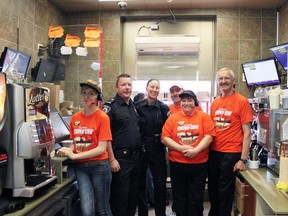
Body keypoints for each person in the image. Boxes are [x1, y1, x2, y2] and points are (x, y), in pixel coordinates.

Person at [57, 79, 112, 216]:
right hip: (81, 169)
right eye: (84, 93)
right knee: (87, 211)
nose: (87, 96)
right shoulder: (76, 117)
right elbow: (76, 143)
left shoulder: (103, 118)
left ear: (97, 97)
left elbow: (101, 148)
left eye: (91, 93)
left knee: (103, 209)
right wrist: (68, 150)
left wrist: (75, 155)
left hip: (100, 167)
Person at [161, 90, 215, 216]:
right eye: (183, 100)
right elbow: (164, 138)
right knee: (180, 199)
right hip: (178, 165)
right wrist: (181, 148)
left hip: (199, 165)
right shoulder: (173, 118)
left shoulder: (204, 117)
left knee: (196, 199)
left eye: (189, 100)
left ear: (194, 102)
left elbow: (209, 136)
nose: (186, 103)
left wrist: (196, 151)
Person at [208, 67, 252, 216]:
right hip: (214, 152)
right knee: (213, 189)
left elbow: (247, 132)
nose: (223, 81)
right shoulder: (215, 102)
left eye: (227, 78)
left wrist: (243, 159)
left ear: (233, 81)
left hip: (231, 153)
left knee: (225, 192)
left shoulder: (242, 101)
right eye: (220, 79)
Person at [102, 74, 142, 216]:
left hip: (136, 159)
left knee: (132, 198)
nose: (127, 88)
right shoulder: (110, 107)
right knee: (120, 199)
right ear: (116, 87)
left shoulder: (133, 106)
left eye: (129, 85)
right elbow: (104, 136)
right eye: (123, 85)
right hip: (120, 159)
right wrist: (111, 159)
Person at [135, 79, 170, 216]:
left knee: (160, 185)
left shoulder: (163, 108)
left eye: (157, 87)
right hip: (141, 149)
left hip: (158, 148)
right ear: (146, 88)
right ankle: (143, 213)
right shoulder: (137, 107)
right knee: (141, 185)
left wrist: (168, 151)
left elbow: (169, 131)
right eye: (152, 87)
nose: (154, 90)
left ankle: (160, 213)